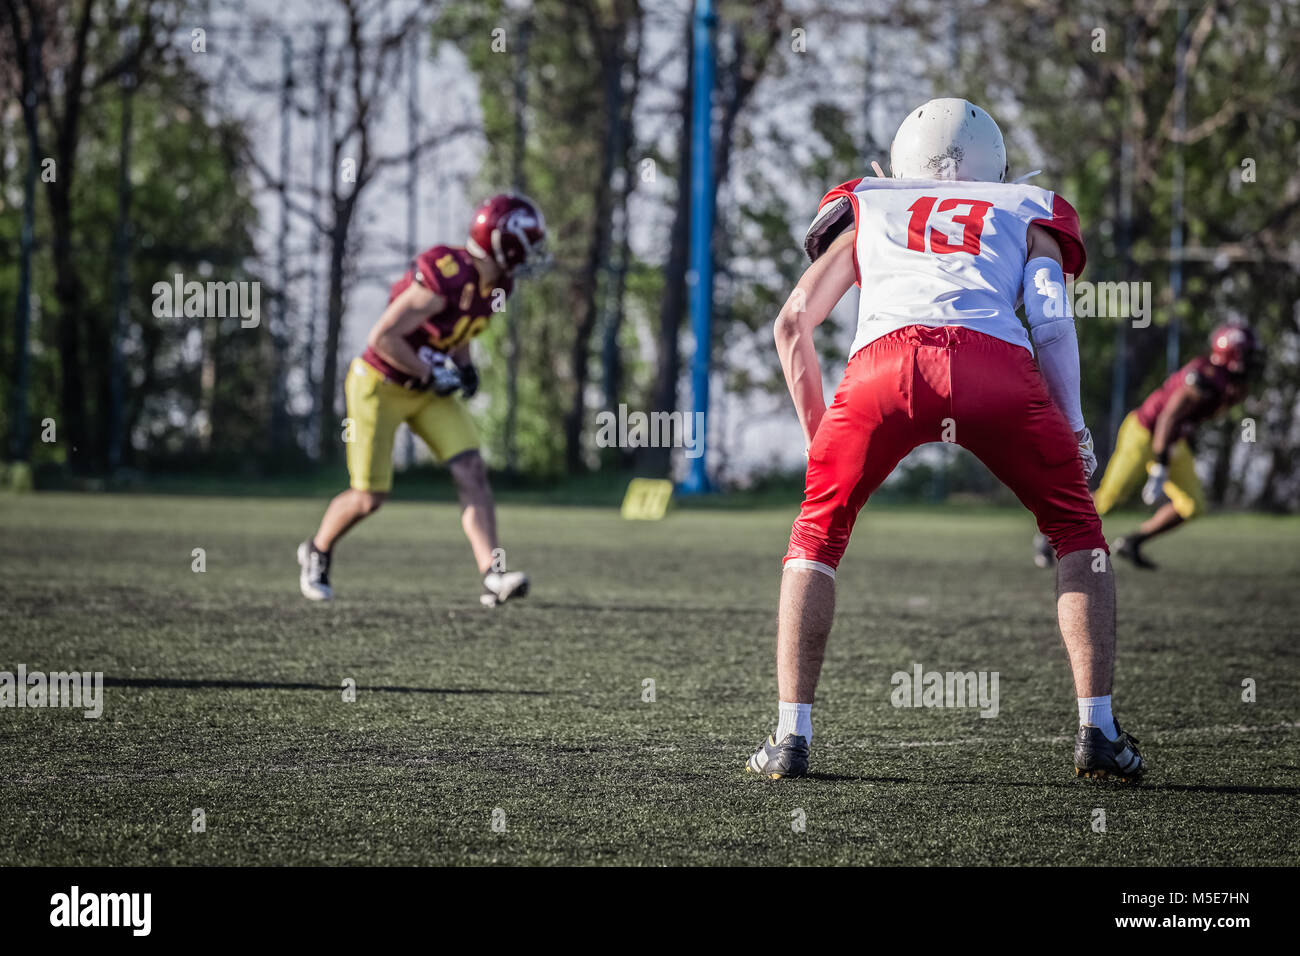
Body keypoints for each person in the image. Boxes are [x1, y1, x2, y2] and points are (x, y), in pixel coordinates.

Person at [746, 98, 1143, 783]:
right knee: (1077, 530)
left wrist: (821, 439)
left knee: (816, 536)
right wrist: (1074, 426)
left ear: (898, 164)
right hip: (995, 366)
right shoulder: (1025, 207)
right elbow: (1050, 323)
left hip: (881, 371)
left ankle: (791, 738)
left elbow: (792, 324)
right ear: (999, 167)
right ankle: (1097, 730)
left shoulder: (871, 202)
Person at [297, 194, 548, 607]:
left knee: (472, 471)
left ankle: (493, 575)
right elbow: (382, 338)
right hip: (380, 383)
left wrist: (464, 366)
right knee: (368, 497)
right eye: (530, 242)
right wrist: (432, 373)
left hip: (427, 390)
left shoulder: (499, 283)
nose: (534, 254)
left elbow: (461, 327)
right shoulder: (445, 275)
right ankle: (318, 550)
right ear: (504, 243)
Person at [1053, 324, 1259, 570]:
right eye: (1246, 354)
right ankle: (1050, 533)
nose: (1253, 360)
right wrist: (1160, 467)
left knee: (1192, 505)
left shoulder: (1232, 383)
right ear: (1231, 354)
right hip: (1144, 432)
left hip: (1173, 439)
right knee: (1108, 499)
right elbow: (1168, 418)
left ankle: (1132, 542)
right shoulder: (1204, 378)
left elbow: (1184, 421)